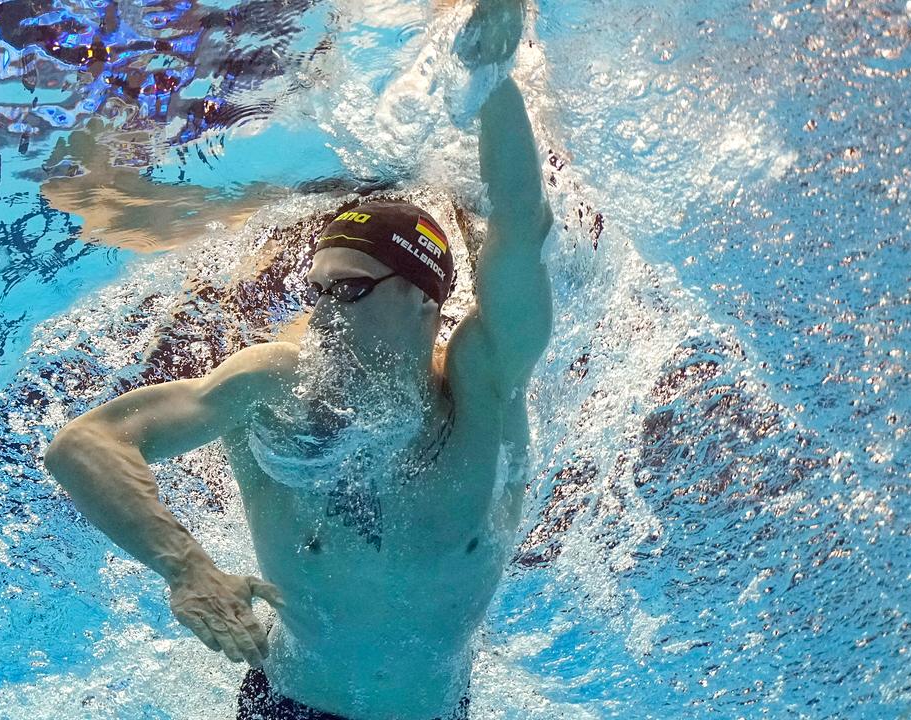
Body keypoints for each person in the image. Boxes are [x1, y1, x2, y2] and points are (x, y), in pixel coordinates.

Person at [43, 8, 552, 720]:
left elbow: (522, 231)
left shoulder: (483, 386)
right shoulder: (272, 388)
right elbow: (82, 444)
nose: (322, 316)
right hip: (289, 708)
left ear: (421, 298)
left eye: (347, 291)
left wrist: (492, 78)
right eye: (315, 293)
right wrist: (187, 568)